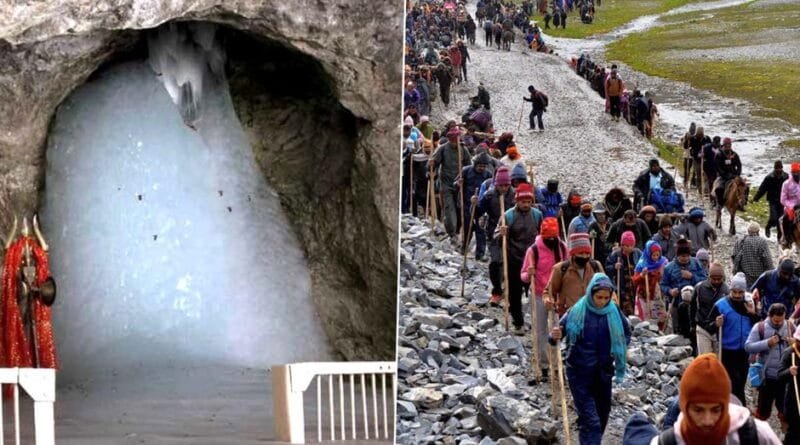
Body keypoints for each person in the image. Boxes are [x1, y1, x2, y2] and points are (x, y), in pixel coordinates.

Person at [550, 273, 631, 445]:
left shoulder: (614, 311)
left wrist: (618, 349)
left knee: (602, 416)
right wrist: (554, 334)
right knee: (591, 421)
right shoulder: (578, 310)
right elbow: (558, 333)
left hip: (603, 373)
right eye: (599, 297)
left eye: (606, 298)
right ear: (590, 294)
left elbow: (626, 333)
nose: (602, 302)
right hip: (579, 372)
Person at [651, 353, 781, 444]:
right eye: (698, 410)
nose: (708, 420)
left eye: (716, 410)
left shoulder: (758, 436)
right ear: (684, 407)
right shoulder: (666, 442)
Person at [521, 217, 567, 377]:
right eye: (549, 237)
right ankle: (544, 364)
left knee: (556, 330)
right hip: (539, 294)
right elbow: (523, 276)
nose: (552, 240)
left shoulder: (562, 247)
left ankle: (556, 363)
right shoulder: (533, 250)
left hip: (557, 295)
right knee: (540, 330)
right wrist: (529, 274)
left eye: (554, 237)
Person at [706, 272, 759, 405]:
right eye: (734, 292)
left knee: (741, 381)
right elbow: (708, 326)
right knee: (733, 381)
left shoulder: (749, 304)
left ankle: (734, 406)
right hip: (727, 350)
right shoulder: (720, 305)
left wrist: (753, 314)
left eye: (740, 292)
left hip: (744, 350)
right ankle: (739, 407)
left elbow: (758, 325)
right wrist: (716, 324)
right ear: (730, 289)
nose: (737, 295)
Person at [499, 183, 543, 335]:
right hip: (514, 260)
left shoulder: (537, 215)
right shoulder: (508, 216)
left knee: (536, 292)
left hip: (533, 261)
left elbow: (542, 236)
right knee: (514, 293)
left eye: (529, 202)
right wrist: (501, 234)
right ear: (517, 201)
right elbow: (495, 237)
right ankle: (518, 322)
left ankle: (537, 323)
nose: (526, 205)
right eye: (523, 202)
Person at [745, 303, 794, 427]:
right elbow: (748, 347)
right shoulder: (760, 327)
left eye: (782, 320)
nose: (779, 323)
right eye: (776, 321)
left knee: (786, 412)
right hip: (767, 377)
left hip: (785, 377)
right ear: (769, 316)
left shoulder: (790, 326)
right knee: (763, 411)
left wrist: (794, 343)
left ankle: (787, 434)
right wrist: (767, 343)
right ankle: (759, 432)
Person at [477, 166, 515, 305]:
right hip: (493, 232)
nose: (504, 188)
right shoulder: (489, 195)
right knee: (495, 261)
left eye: (506, 185)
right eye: (501, 185)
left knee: (510, 262)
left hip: (512, 234)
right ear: (497, 184)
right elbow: (478, 211)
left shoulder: (515, 196)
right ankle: (497, 291)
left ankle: (510, 291)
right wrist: (475, 204)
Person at [544, 233, 604, 316]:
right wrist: (547, 300)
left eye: (587, 253)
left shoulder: (596, 267)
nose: (584, 256)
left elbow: (606, 287)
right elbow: (548, 292)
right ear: (573, 254)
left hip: (592, 314)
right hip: (568, 316)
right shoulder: (560, 269)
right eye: (581, 253)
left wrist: (614, 302)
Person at [429, 127, 472, 241]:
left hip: (459, 183)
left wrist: (465, 178)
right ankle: (451, 231)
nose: (455, 142)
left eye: (456, 139)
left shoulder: (463, 149)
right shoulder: (443, 149)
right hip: (446, 183)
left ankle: (457, 230)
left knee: (459, 207)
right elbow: (434, 162)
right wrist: (431, 164)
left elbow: (468, 165)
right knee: (449, 207)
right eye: (453, 140)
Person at [661, 242, 707, 334]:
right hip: (676, 303)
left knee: (695, 328)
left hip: (695, 303)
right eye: (682, 256)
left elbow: (705, 280)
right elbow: (663, 285)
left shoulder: (696, 263)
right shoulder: (669, 268)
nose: (685, 258)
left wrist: (692, 276)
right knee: (678, 329)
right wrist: (670, 291)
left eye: (687, 256)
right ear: (677, 255)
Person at [462, 152, 494, 260]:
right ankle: (464, 247)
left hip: (481, 207)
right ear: (475, 164)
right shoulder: (466, 171)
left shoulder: (488, 175)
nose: (482, 168)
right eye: (480, 166)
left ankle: (480, 254)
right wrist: (458, 184)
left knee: (480, 230)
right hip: (467, 205)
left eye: (484, 166)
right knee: (467, 228)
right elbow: (456, 184)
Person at [692, 263, 728, 356]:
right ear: (709, 277)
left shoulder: (726, 290)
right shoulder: (699, 288)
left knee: (717, 359)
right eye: (714, 279)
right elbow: (692, 307)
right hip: (703, 327)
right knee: (705, 358)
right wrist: (693, 324)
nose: (716, 281)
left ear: (723, 278)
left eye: (719, 279)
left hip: (718, 329)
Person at [605, 231, 642, 316]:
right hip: (622, 289)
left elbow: (643, 263)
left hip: (635, 287)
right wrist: (614, 266)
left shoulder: (638, 253)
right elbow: (606, 268)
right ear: (622, 245)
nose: (630, 248)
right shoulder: (615, 254)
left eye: (632, 245)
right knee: (625, 310)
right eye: (627, 246)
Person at [633, 241, 668, 329]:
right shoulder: (642, 264)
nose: (656, 257)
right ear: (648, 254)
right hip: (643, 294)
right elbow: (635, 280)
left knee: (661, 317)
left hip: (656, 294)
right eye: (653, 255)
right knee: (645, 319)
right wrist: (642, 275)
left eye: (657, 255)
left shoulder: (662, 262)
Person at [731, 222, 774, 288]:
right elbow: (768, 261)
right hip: (759, 277)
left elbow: (734, 257)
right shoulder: (762, 242)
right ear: (758, 231)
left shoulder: (739, 241)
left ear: (748, 231)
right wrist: (771, 275)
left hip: (744, 276)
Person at [778, 325, 800, 444]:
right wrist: (789, 372)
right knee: (794, 432)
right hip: (794, 398)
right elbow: (779, 375)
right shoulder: (789, 353)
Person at [753, 161, 787, 238]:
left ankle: (779, 237)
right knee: (773, 218)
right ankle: (768, 227)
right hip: (773, 200)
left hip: (782, 201)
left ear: (782, 168)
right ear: (774, 168)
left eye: (780, 168)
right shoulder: (769, 177)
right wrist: (756, 198)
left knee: (780, 220)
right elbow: (762, 189)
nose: (779, 170)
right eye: (777, 168)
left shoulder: (786, 177)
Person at [712, 137, 742, 209]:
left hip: (734, 175)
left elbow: (739, 165)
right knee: (719, 188)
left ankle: (742, 203)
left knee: (744, 186)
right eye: (727, 144)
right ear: (724, 145)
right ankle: (719, 204)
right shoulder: (719, 155)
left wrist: (737, 174)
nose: (728, 146)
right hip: (723, 176)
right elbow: (717, 167)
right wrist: (724, 175)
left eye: (729, 144)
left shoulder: (734, 154)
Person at [780, 162, 800, 247]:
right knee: (786, 219)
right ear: (792, 172)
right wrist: (791, 206)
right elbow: (783, 199)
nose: (796, 174)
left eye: (798, 172)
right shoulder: (786, 184)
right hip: (791, 207)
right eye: (794, 172)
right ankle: (787, 239)